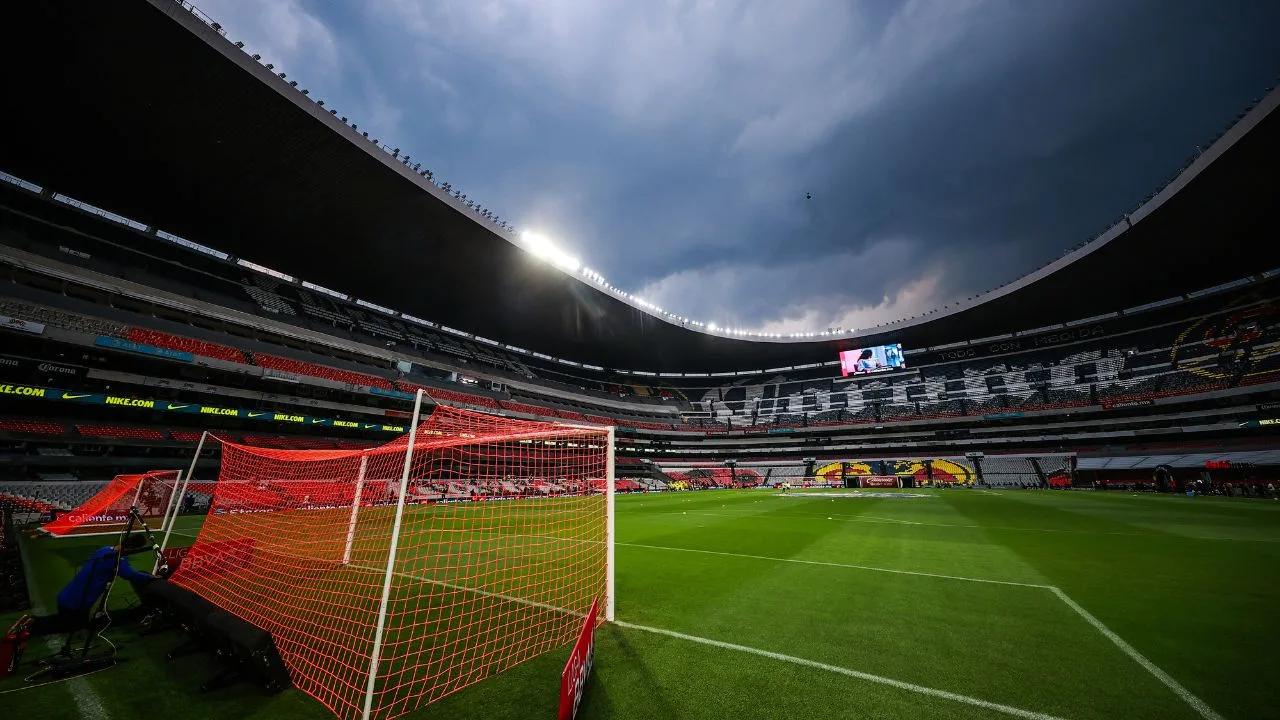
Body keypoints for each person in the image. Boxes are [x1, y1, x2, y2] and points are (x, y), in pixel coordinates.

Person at [50, 535, 155, 642]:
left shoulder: (105, 549)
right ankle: (35, 625)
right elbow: (129, 574)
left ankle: (35, 622)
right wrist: (150, 577)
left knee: (74, 621)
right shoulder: (116, 558)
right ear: (133, 547)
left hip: (71, 596)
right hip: (77, 600)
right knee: (69, 626)